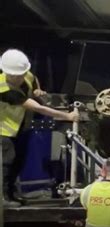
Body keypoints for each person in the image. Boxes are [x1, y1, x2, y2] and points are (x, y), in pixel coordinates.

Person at [0, 49, 79, 207]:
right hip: (3, 130)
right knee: (7, 162)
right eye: (14, 75)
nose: (19, 78)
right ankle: (3, 197)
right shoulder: (3, 88)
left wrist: (37, 90)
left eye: (21, 74)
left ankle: (12, 194)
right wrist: (67, 116)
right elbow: (37, 108)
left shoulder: (26, 75)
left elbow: (33, 81)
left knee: (18, 161)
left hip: (21, 128)